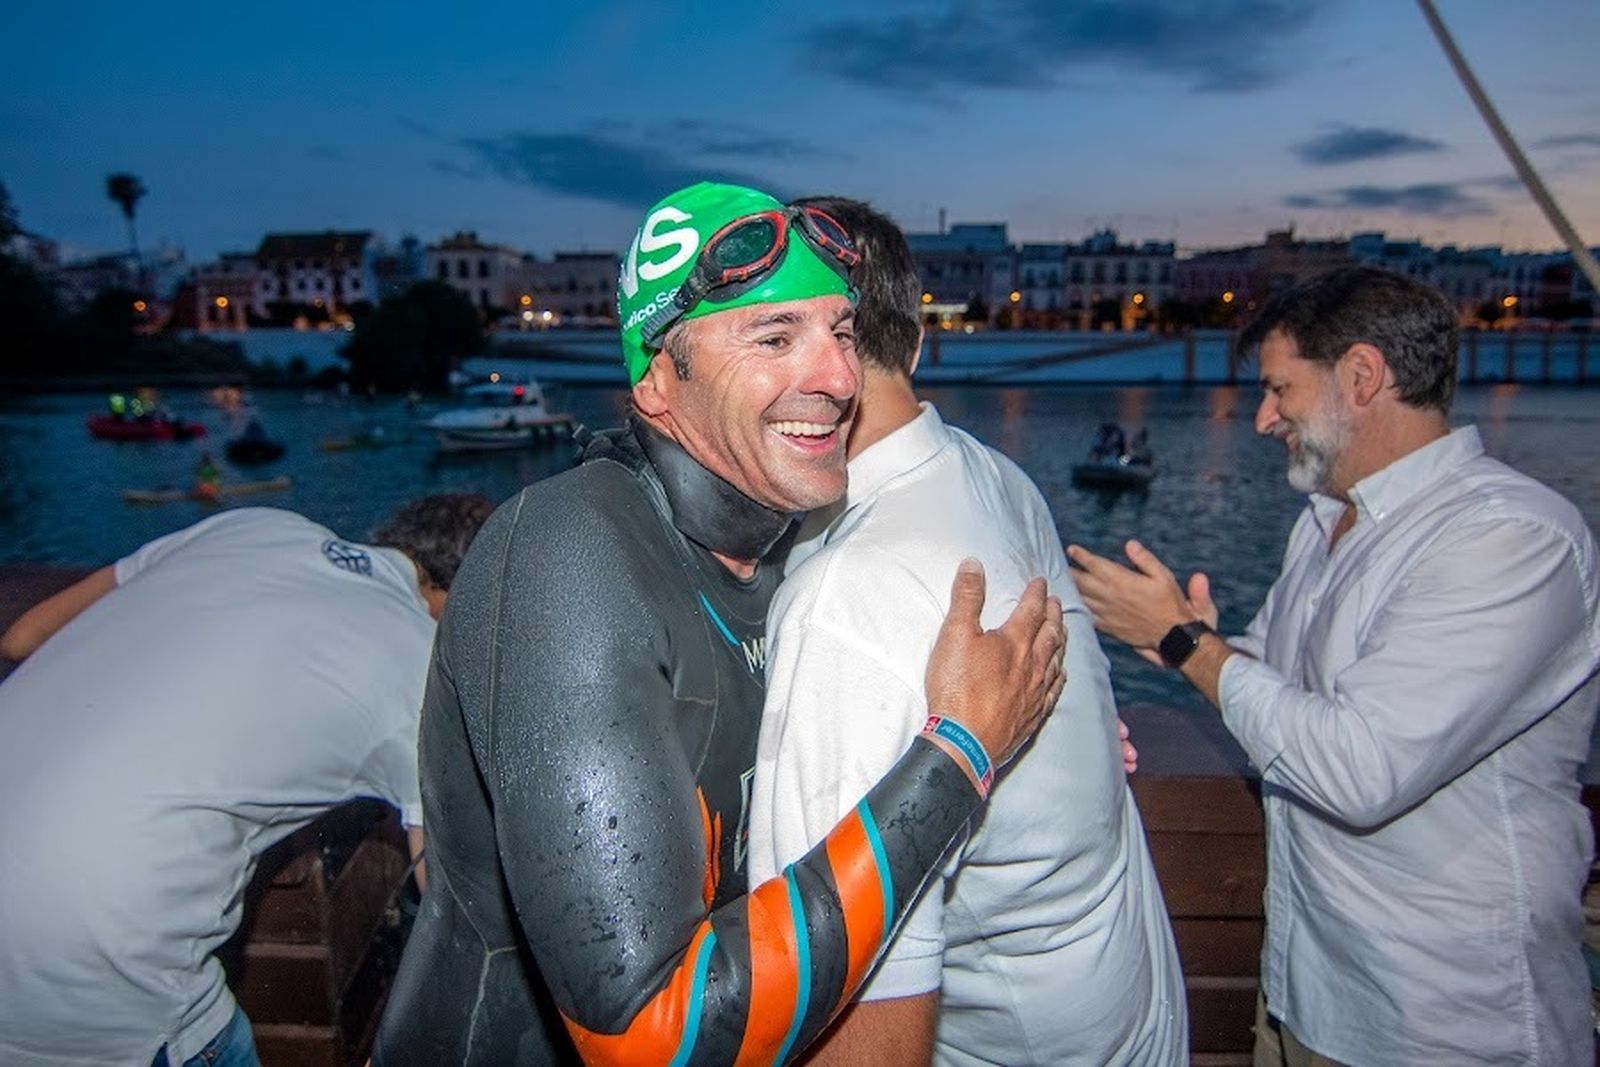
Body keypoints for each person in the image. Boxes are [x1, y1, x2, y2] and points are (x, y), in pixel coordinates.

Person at [373, 181, 1065, 1066]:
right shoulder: (563, 554)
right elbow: (649, 1034)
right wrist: (961, 752)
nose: (841, 377)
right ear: (659, 379)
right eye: (775, 337)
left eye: (841, 331)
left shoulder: (779, 553)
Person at [1067, 266, 1600, 1066]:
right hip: (1304, 994)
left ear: (1361, 376)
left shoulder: (1512, 539)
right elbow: (1282, 691)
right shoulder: (1324, 524)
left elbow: (1360, 766)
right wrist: (1204, 646)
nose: (1261, 418)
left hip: (1444, 1024)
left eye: (1280, 389)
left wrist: (1188, 644)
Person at [747, 198, 1185, 1066]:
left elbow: (837, 990)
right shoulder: (995, 477)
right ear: (914, 344)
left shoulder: (843, 594)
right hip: (1127, 1013)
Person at [0, 494, 495, 1067]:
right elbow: (453, 914)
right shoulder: (420, 662)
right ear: (463, 600)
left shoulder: (250, 525)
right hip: (86, 970)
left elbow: (22, 639)